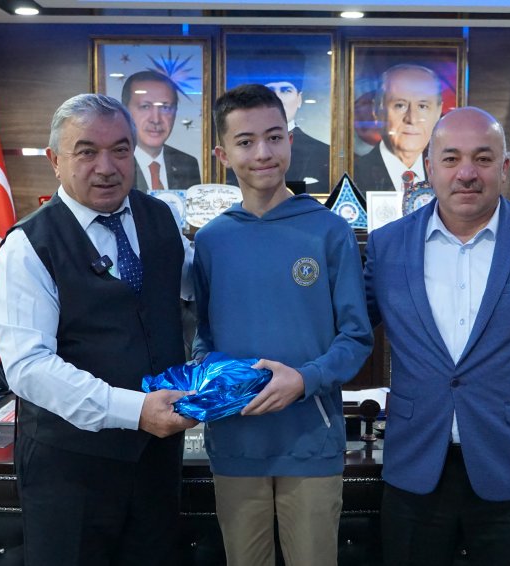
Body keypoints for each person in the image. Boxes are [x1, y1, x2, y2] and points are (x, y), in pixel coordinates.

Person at [363, 107, 510, 566]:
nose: (466, 173)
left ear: (503, 168)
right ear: (429, 167)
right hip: (415, 468)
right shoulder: (387, 245)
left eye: (483, 159)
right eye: (451, 159)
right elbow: (348, 330)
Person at [0, 93, 197, 566]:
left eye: (120, 150)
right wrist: (135, 410)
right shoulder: (28, 246)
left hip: (157, 462)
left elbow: (195, 288)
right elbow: (28, 368)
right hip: (70, 470)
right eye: (87, 152)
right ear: (54, 161)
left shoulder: (161, 218)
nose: (106, 167)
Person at [193, 84, 374, 566]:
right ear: (223, 154)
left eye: (274, 137)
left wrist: (304, 379)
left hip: (311, 440)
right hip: (235, 441)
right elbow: (203, 338)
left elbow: (357, 337)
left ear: (290, 140)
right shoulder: (211, 240)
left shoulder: (329, 230)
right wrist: (213, 379)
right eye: (246, 141)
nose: (263, 153)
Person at [226, 48, 331, 190]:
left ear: (299, 99)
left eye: (286, 90)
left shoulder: (324, 154)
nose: (278, 99)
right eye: (270, 91)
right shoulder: (237, 154)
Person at [353, 64, 443, 192]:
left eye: (422, 106)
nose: (411, 119)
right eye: (400, 105)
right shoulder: (354, 176)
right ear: (376, 110)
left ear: (438, 112)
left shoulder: (446, 177)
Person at [121, 70, 202, 190]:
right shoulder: (117, 164)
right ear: (125, 111)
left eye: (165, 107)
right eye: (145, 107)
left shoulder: (187, 164)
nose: (156, 119)